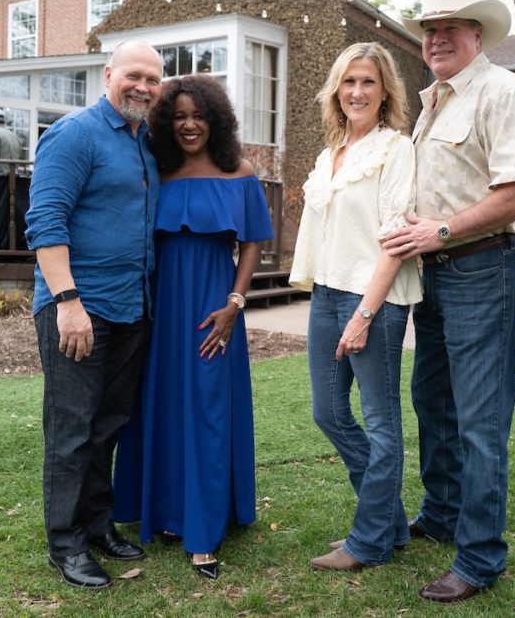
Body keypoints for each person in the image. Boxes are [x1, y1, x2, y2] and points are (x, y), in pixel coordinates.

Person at [381, 0, 515, 603]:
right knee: (433, 402)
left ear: (478, 34)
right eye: (429, 29)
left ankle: (479, 557)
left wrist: (442, 229)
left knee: (480, 421)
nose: (436, 39)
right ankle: (444, 512)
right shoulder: (436, 101)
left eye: (450, 28)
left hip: (486, 266)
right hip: (438, 272)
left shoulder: (503, 92)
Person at [111, 75, 273, 580]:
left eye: (198, 115)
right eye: (178, 115)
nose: (188, 125)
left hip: (212, 308)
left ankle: (204, 533)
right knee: (160, 406)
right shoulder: (157, 169)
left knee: (207, 409)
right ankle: (167, 515)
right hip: (160, 309)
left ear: (215, 120)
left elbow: (251, 243)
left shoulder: (238, 171)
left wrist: (235, 303)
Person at [24, 41, 164, 589]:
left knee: (109, 424)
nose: (144, 87)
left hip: (133, 307)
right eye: (134, 76)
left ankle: (99, 524)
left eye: (154, 80)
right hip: (80, 308)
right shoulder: (75, 134)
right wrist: (68, 304)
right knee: (71, 430)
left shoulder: (145, 141)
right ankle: (65, 544)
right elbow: (45, 220)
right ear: (109, 75)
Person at [288, 43, 421, 572]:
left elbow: (396, 238)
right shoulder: (330, 153)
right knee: (328, 412)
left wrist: (365, 314)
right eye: (349, 82)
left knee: (381, 421)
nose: (357, 92)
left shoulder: (396, 148)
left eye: (368, 82)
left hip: (374, 299)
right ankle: (390, 521)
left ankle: (369, 542)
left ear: (385, 89)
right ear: (336, 90)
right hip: (327, 292)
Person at [0, 108, 31, 262]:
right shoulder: (13, 136)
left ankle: (2, 250)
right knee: (12, 217)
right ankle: (13, 248)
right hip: (14, 181)